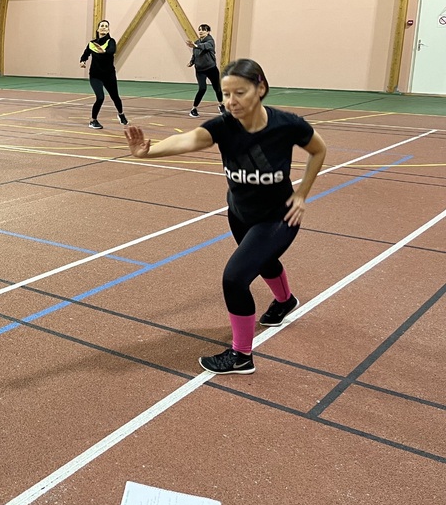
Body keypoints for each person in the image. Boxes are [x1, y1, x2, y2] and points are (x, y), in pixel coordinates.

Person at [123, 59, 327, 375]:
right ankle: (285, 301)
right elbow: (188, 139)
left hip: (278, 217)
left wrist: (302, 194)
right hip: (239, 213)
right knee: (263, 261)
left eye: (240, 93)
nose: (231, 101)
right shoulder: (223, 127)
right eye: (226, 94)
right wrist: (149, 151)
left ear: (261, 88)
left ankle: (241, 356)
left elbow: (319, 150)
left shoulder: (287, 125)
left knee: (235, 279)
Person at [80, 19, 127, 128]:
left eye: (106, 26)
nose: (104, 27)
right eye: (102, 26)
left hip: (109, 75)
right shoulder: (92, 44)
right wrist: (82, 61)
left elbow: (112, 50)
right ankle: (93, 121)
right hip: (95, 76)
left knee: (115, 97)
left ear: (108, 30)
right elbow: (85, 54)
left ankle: (121, 114)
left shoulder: (111, 41)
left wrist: (104, 51)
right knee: (100, 97)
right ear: (98, 29)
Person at [185, 24, 224, 118]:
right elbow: (195, 54)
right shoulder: (197, 42)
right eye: (200, 30)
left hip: (211, 69)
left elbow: (205, 46)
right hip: (200, 70)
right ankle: (194, 109)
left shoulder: (210, 41)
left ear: (208, 32)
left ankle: (221, 105)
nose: (201, 31)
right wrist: (192, 62)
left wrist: (195, 45)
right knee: (202, 88)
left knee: (217, 88)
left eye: (203, 30)